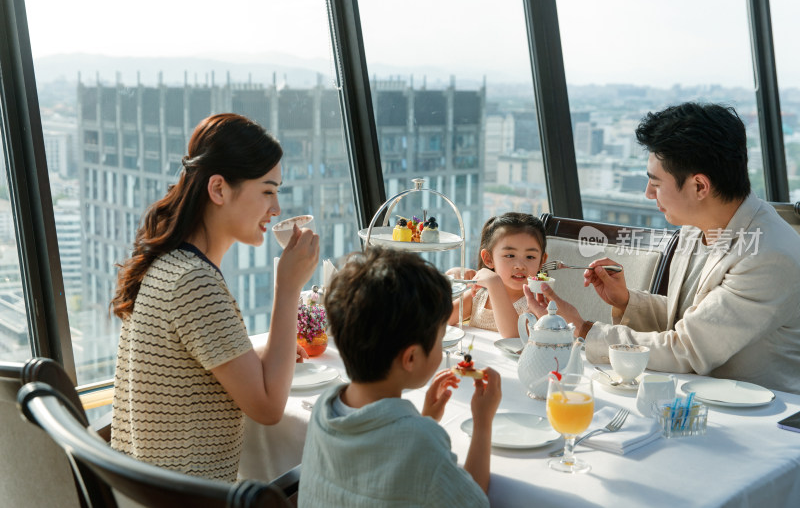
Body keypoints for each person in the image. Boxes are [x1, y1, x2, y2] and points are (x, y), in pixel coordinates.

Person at [525, 102, 800, 395]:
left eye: (655, 183)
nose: (648, 193)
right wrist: (627, 301)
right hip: (697, 395)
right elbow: (690, 317)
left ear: (699, 187)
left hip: (761, 417)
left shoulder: (768, 255)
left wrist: (581, 329)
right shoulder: (697, 225)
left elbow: (687, 349)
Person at [110, 113, 320, 482]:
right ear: (219, 189)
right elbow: (269, 409)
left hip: (151, 493)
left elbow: (188, 361)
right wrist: (287, 288)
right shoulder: (195, 282)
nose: (276, 209)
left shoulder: (170, 264)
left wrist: (252, 356)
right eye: (267, 190)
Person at [299, 247, 501, 507]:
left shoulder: (324, 408)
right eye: (442, 339)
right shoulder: (421, 440)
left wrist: (425, 418)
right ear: (411, 358)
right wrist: (483, 423)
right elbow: (473, 501)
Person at [448, 212, 548, 338]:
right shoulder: (479, 296)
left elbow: (514, 338)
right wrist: (450, 279)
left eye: (530, 257)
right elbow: (439, 320)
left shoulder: (537, 303)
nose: (520, 265)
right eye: (510, 255)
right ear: (488, 259)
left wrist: (495, 283)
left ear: (541, 261)